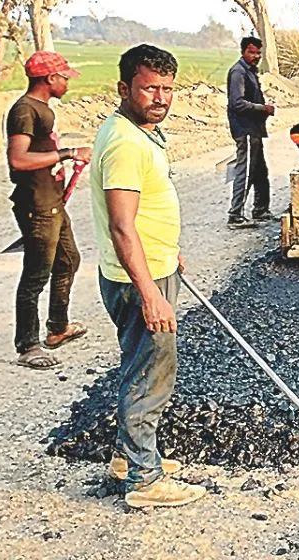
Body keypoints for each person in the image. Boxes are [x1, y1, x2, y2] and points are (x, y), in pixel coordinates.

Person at [91, 44, 205, 508]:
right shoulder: (124, 143)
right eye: (149, 88)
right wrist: (150, 295)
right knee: (151, 373)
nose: (160, 97)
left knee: (139, 365)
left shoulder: (138, 132)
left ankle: (127, 456)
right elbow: (121, 225)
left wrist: (167, 251)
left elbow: (144, 214)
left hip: (153, 267)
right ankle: (144, 480)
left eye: (167, 89)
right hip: (140, 281)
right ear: (124, 88)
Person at [4, 51, 91, 369]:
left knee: (69, 259)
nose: (68, 81)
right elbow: (18, 159)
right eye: (64, 76)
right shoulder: (26, 110)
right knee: (36, 275)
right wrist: (67, 153)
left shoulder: (43, 110)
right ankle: (28, 345)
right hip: (37, 206)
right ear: (49, 78)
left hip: (52, 204)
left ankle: (57, 328)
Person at [226, 36, 274, 229]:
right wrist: (262, 108)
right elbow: (237, 103)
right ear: (243, 52)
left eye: (258, 53)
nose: (256, 56)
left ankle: (261, 210)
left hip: (254, 130)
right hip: (245, 130)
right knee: (245, 172)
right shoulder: (238, 72)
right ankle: (235, 214)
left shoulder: (251, 72)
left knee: (260, 172)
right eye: (252, 52)